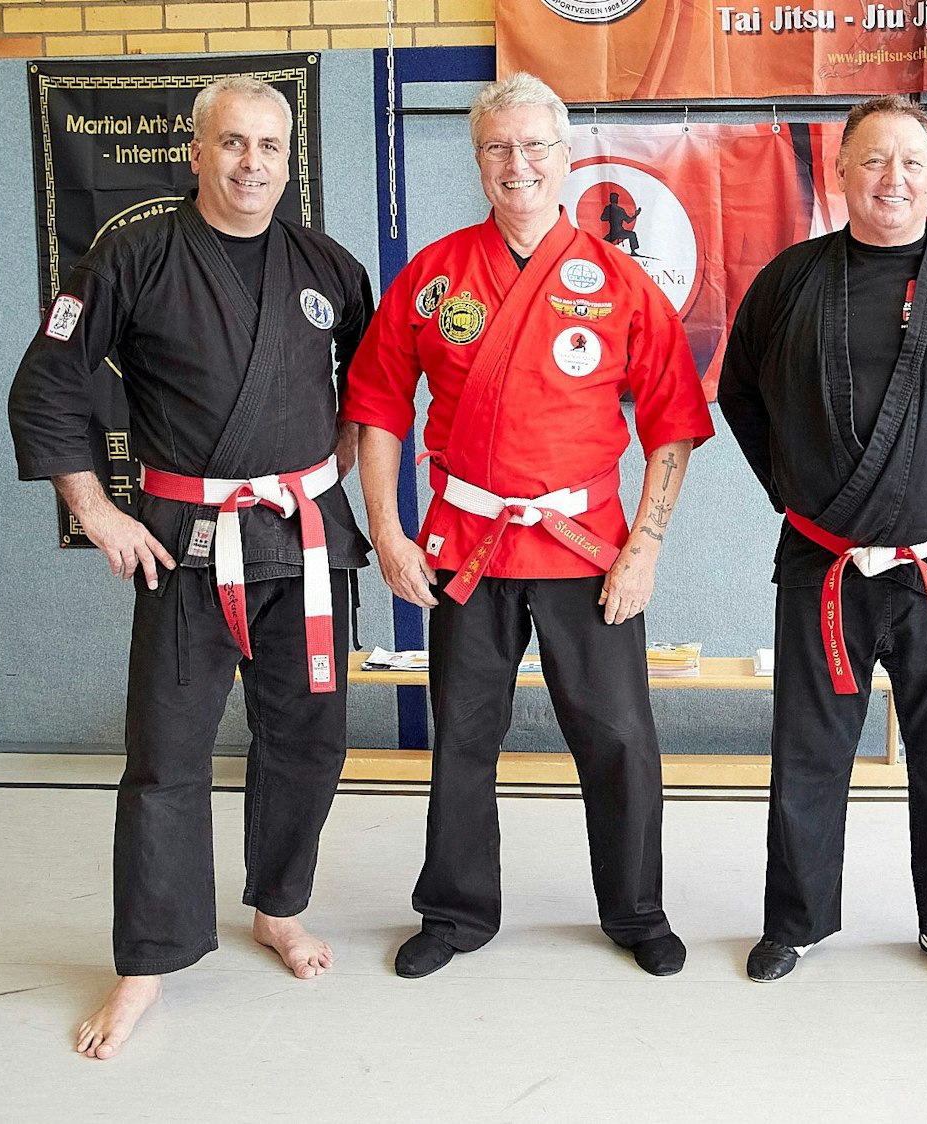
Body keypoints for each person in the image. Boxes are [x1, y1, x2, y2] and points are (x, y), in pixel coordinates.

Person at [8, 76, 374, 1059]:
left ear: (288, 159)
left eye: (270, 146)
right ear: (197, 148)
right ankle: (148, 960)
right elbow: (48, 383)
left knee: (310, 736)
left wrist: (331, 468)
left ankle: (280, 905)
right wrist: (94, 510)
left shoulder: (328, 266)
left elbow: (371, 385)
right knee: (167, 754)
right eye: (233, 143)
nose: (252, 162)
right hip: (188, 543)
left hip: (302, 541)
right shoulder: (132, 255)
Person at [343, 73, 712, 981]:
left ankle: (637, 909)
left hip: (588, 550)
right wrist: (387, 532)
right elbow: (380, 408)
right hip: (465, 547)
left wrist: (646, 548)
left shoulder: (619, 280)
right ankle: (456, 911)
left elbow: (673, 423)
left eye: (535, 146)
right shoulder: (433, 275)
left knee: (620, 736)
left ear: (564, 154)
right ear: (477, 161)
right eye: (498, 148)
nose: (518, 164)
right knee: (463, 733)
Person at [717, 95, 927, 992]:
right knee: (809, 748)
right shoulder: (789, 280)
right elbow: (740, 396)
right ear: (839, 172)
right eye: (871, 161)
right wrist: (792, 489)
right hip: (821, 560)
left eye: (909, 161)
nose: (891, 179)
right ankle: (795, 920)